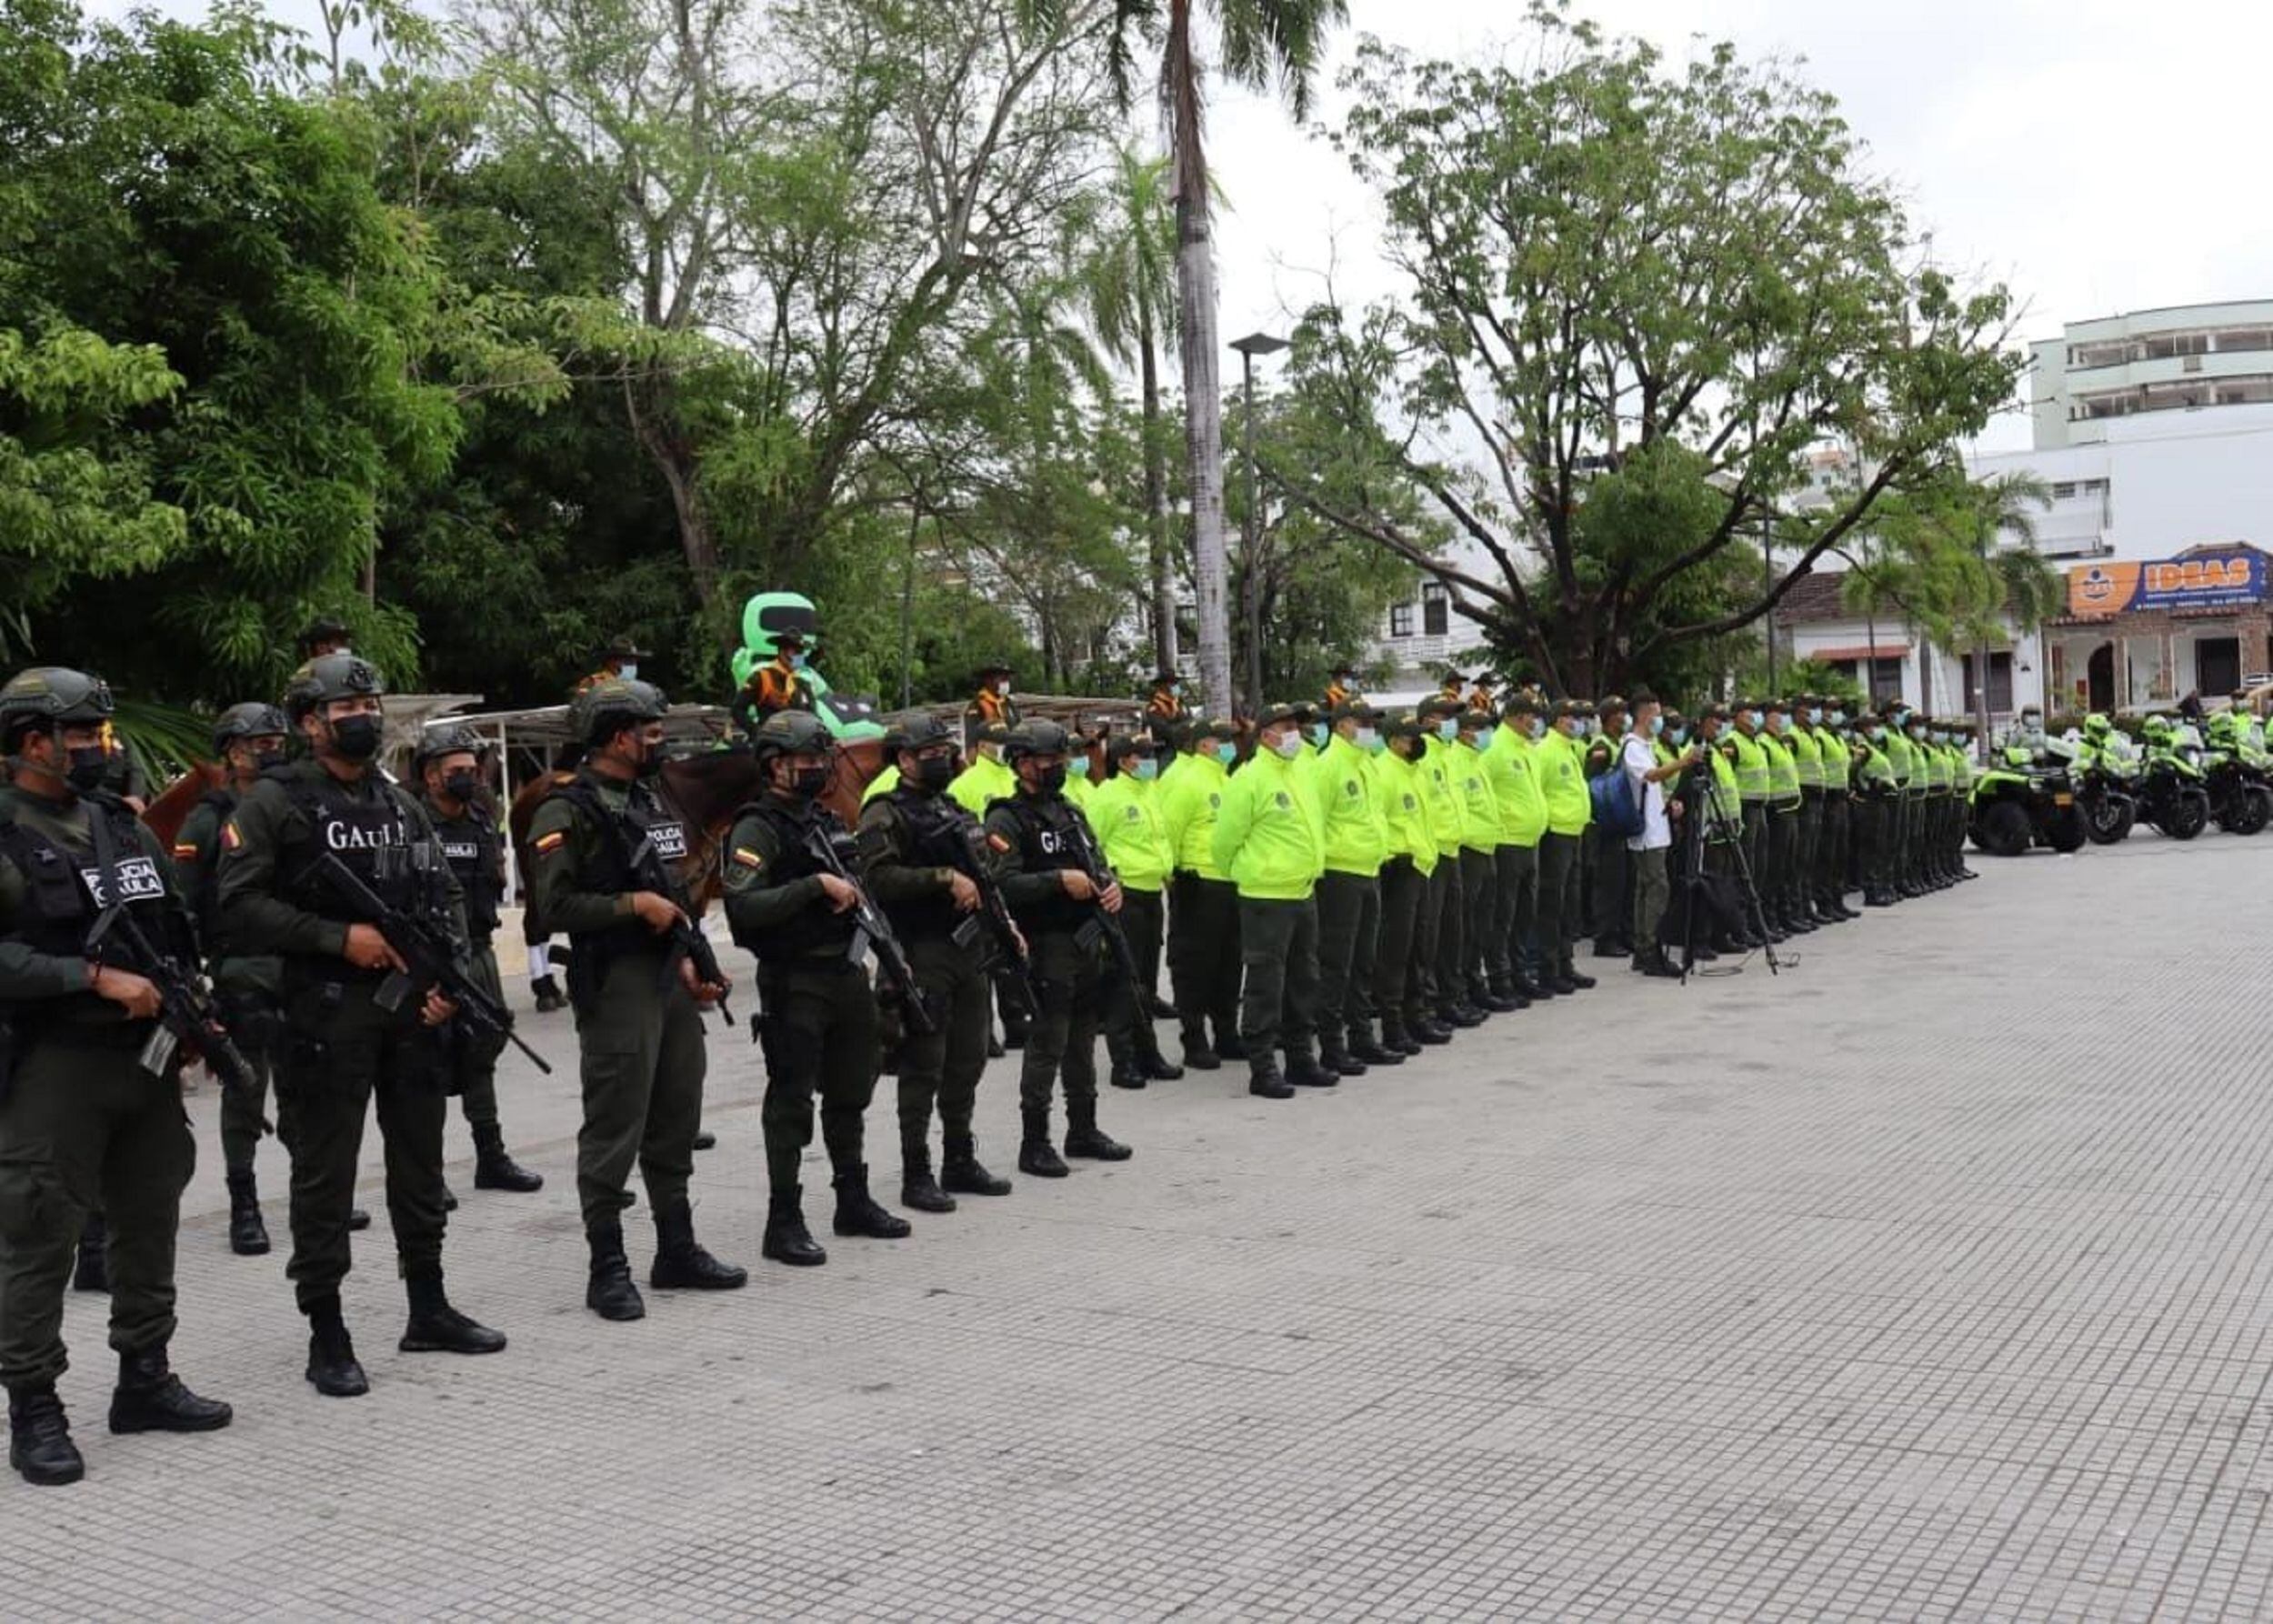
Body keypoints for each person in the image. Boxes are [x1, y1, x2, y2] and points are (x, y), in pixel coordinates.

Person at [217, 654, 504, 1396]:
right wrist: (336, 938)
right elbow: (238, 905)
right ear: (311, 722)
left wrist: (441, 983)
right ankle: (327, 1330)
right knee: (325, 1178)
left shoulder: (395, 801)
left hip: (408, 1012)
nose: (365, 717)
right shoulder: (274, 804)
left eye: (370, 704)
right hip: (323, 1013)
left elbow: (441, 892)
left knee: (421, 1164)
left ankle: (428, 1305)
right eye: (348, 707)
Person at [0, 667, 233, 1486]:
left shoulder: (119, 827)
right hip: (54, 1064)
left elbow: (170, 928)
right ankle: (34, 1408)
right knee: (39, 1237)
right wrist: (92, 980)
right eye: (87, 735)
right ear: (35, 744)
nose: (106, 747)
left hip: (146, 1061)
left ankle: (145, 1378)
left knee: (149, 1216)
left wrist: (194, 1008)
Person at [524, 677, 742, 1319]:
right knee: (617, 1123)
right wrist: (631, 906)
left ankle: (676, 1247)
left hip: (668, 978)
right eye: (650, 733)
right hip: (616, 981)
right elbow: (553, 906)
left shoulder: (649, 800)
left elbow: (673, 891)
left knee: (677, 1114)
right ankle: (607, 1266)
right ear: (618, 738)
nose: (660, 743)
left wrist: (693, 965)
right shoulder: (566, 810)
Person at [724, 709, 910, 1263]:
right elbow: (742, 906)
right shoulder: (757, 826)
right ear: (774, 766)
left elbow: (860, 889)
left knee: (852, 1089)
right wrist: (810, 886)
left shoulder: (825, 819)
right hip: (795, 979)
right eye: (806, 761)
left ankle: (851, 1199)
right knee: (791, 1101)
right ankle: (784, 1220)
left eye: (820, 760)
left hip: (845, 972)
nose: (816, 769)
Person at [855, 712, 1016, 1212]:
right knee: (924, 1063)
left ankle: (959, 1158)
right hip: (921, 951)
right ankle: (916, 1171)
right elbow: (877, 880)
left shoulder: (953, 807)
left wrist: (1005, 924)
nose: (942, 760)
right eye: (931, 754)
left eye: (945, 752)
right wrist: (943, 878)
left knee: (967, 1059)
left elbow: (984, 875)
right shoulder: (884, 813)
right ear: (904, 759)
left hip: (969, 949)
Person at [984, 721, 1135, 1171]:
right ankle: (1035, 1141)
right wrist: (1056, 881)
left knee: (1084, 1037)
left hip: (1086, 938)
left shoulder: (1070, 811)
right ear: (1023, 764)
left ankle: (1083, 1128)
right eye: (1049, 761)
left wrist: (1111, 887)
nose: (1057, 768)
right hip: (1046, 942)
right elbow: (1001, 883)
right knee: (1048, 1040)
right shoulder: (1006, 818)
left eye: (1060, 761)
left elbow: (1097, 862)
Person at [174, 702, 295, 1256]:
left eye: (276, 741)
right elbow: (185, 905)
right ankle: (244, 1205)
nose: (270, 751)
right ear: (231, 752)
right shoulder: (208, 818)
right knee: (247, 1089)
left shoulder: (297, 804)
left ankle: (311, 1190)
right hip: (242, 969)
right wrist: (197, 977)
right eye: (257, 744)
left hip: (301, 963)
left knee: (309, 1087)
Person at [410, 727, 543, 1199]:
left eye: (472, 769)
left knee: (482, 1050)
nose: (469, 778)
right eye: (457, 771)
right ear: (430, 776)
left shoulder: (482, 820)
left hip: (481, 951)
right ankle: (429, 1173)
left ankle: (491, 1156)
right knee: (429, 1060)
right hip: (433, 960)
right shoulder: (414, 824)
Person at [1210, 702, 1331, 1099]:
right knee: (1265, 983)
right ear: (1266, 735)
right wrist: (1251, 872)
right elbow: (1225, 843)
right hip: (1266, 897)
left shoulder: (1300, 772)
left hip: (1303, 891)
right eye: (1288, 727)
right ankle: (1262, 1067)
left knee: (1304, 980)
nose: (1296, 733)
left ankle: (1300, 1058)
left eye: (1298, 726)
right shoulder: (1249, 779)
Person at [1086, 733, 1183, 1086]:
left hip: (1151, 891)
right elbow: (1093, 845)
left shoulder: (1150, 793)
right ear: (1125, 760)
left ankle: (1148, 1052)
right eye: (1143, 755)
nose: (1149, 761)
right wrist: (1109, 881)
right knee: (1123, 981)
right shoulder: (1108, 796)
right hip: (1124, 895)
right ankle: (1123, 1059)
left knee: (1145, 980)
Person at [1307, 700, 1393, 1076]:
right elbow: (1316, 823)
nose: (1370, 730)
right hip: (1340, 874)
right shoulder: (1328, 766)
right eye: (1363, 723)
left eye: (1373, 723)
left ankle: (1362, 1037)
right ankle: (1331, 1045)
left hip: (1369, 868)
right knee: (1336, 964)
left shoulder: (1367, 763)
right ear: (1342, 726)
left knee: (1364, 960)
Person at [1158, 717, 1244, 1067]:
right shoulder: (1188, 781)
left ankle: (1226, 1032)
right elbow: (1169, 831)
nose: (1229, 746)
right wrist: (1175, 874)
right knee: (1197, 964)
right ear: (1203, 744)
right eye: (1221, 739)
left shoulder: (1227, 780)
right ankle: (1194, 1038)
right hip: (1198, 882)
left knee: (1229, 962)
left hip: (1231, 881)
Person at [1367, 711, 1438, 1053]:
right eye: (1413, 737)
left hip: (1421, 865)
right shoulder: (1383, 772)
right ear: (1395, 740)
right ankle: (1393, 1023)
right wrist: (1392, 856)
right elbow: (1380, 822)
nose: (1419, 742)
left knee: (1418, 947)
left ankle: (1417, 1014)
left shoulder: (1414, 771)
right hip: (1399, 867)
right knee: (1396, 950)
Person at [1412, 695, 1476, 1028]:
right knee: (1429, 934)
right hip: (1432, 853)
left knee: (1453, 930)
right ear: (1427, 721)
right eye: (1445, 716)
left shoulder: (1448, 754)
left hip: (1453, 849)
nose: (1452, 722)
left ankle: (1450, 998)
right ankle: (1427, 1003)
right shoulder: (1422, 756)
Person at [1622, 691, 1693, 977]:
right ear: (1643, 715)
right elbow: (1649, 776)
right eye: (1656, 713)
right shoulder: (1632, 746)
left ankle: (1643, 949)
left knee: (1646, 887)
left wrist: (1668, 802)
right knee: (1657, 888)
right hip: (1646, 832)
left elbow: (1650, 788)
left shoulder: (1645, 745)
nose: (1660, 719)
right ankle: (1651, 950)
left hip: (1656, 825)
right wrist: (1683, 762)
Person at [1450, 707, 1514, 1013]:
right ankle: (1461, 987)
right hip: (1469, 850)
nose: (1486, 733)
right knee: (1466, 925)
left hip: (1488, 847)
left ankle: (1476, 982)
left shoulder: (1477, 761)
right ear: (1464, 731)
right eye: (1479, 728)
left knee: (1482, 924)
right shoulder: (1456, 762)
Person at [1486, 690, 1549, 1000]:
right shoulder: (1496, 748)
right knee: (1504, 914)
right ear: (1513, 716)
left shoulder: (1528, 749)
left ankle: (1519, 970)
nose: (1535, 722)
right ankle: (1500, 976)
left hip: (1530, 841)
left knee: (1525, 912)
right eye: (1531, 716)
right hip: (1507, 841)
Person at [1533, 699, 1595, 995]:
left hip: (1574, 832)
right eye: (1572, 717)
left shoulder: (1568, 749)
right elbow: (1539, 792)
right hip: (1556, 834)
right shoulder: (1545, 751)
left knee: (1569, 903)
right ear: (1557, 720)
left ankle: (1565, 962)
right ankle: (1548, 968)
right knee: (1552, 903)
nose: (1578, 723)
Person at [1583, 696, 1629, 958]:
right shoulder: (1601, 747)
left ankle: (1618, 933)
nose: (1624, 718)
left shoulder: (1618, 742)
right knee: (1607, 883)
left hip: (1619, 821)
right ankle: (1604, 938)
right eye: (1620, 714)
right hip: (1604, 824)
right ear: (1610, 718)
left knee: (1620, 882)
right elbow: (1594, 785)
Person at [738, 626, 816, 729]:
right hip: (771, 741)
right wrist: (755, 732)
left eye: (800, 652)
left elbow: (815, 719)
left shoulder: (803, 684)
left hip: (800, 742)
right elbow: (738, 709)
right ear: (782, 650)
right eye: (794, 651)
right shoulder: (763, 677)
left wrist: (832, 740)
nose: (798, 656)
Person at [573, 637, 649, 697]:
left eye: (633, 661)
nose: (632, 665)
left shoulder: (639, 688)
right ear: (611, 661)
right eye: (628, 660)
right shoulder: (593, 682)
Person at [966, 664, 1020, 741]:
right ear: (988, 680)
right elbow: (971, 736)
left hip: (1010, 748)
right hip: (989, 749)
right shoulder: (976, 705)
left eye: (1007, 679)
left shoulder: (1008, 703)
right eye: (1003, 679)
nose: (1006, 683)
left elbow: (1018, 724)